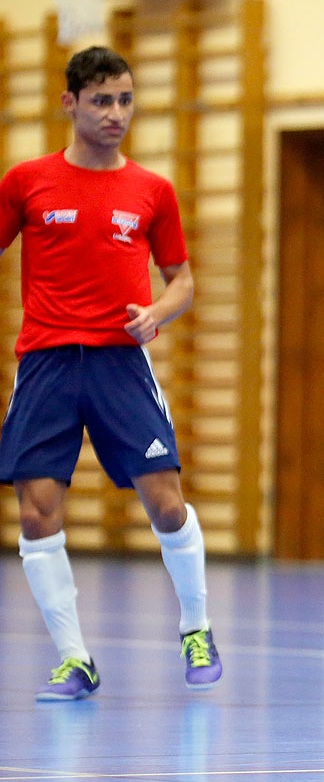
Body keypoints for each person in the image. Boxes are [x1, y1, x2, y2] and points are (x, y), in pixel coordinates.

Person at [0, 46, 219, 700]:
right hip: (44, 364)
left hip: (120, 364)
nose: (116, 113)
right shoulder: (26, 182)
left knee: (167, 502)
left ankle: (197, 626)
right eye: (101, 100)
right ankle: (74, 659)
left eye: (125, 99)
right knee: (38, 517)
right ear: (69, 103)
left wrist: (158, 314)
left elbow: (182, 280)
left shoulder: (152, 191)